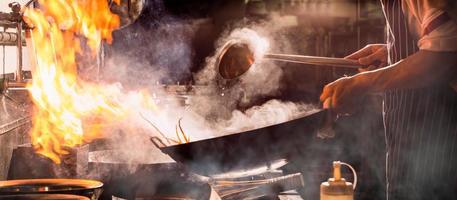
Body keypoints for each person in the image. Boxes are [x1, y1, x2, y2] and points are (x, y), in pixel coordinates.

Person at [320, 0, 457, 199]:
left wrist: (365, 83)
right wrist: (393, 53)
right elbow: (441, 37)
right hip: (409, 144)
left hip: (439, 143)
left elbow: (444, 58)